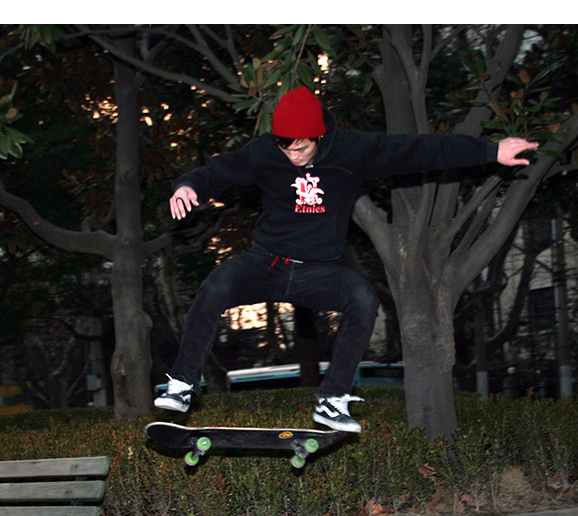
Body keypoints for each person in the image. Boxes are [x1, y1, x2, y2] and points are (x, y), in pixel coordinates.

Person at [155, 86, 538, 432]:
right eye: (285, 148)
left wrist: (490, 151)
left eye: (301, 148)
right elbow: (218, 170)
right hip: (267, 263)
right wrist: (188, 186)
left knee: (363, 298)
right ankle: (183, 384)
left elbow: (420, 149)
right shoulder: (263, 153)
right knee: (216, 285)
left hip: (319, 272)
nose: (292, 157)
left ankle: (332, 400)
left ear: (319, 136)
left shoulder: (355, 151)